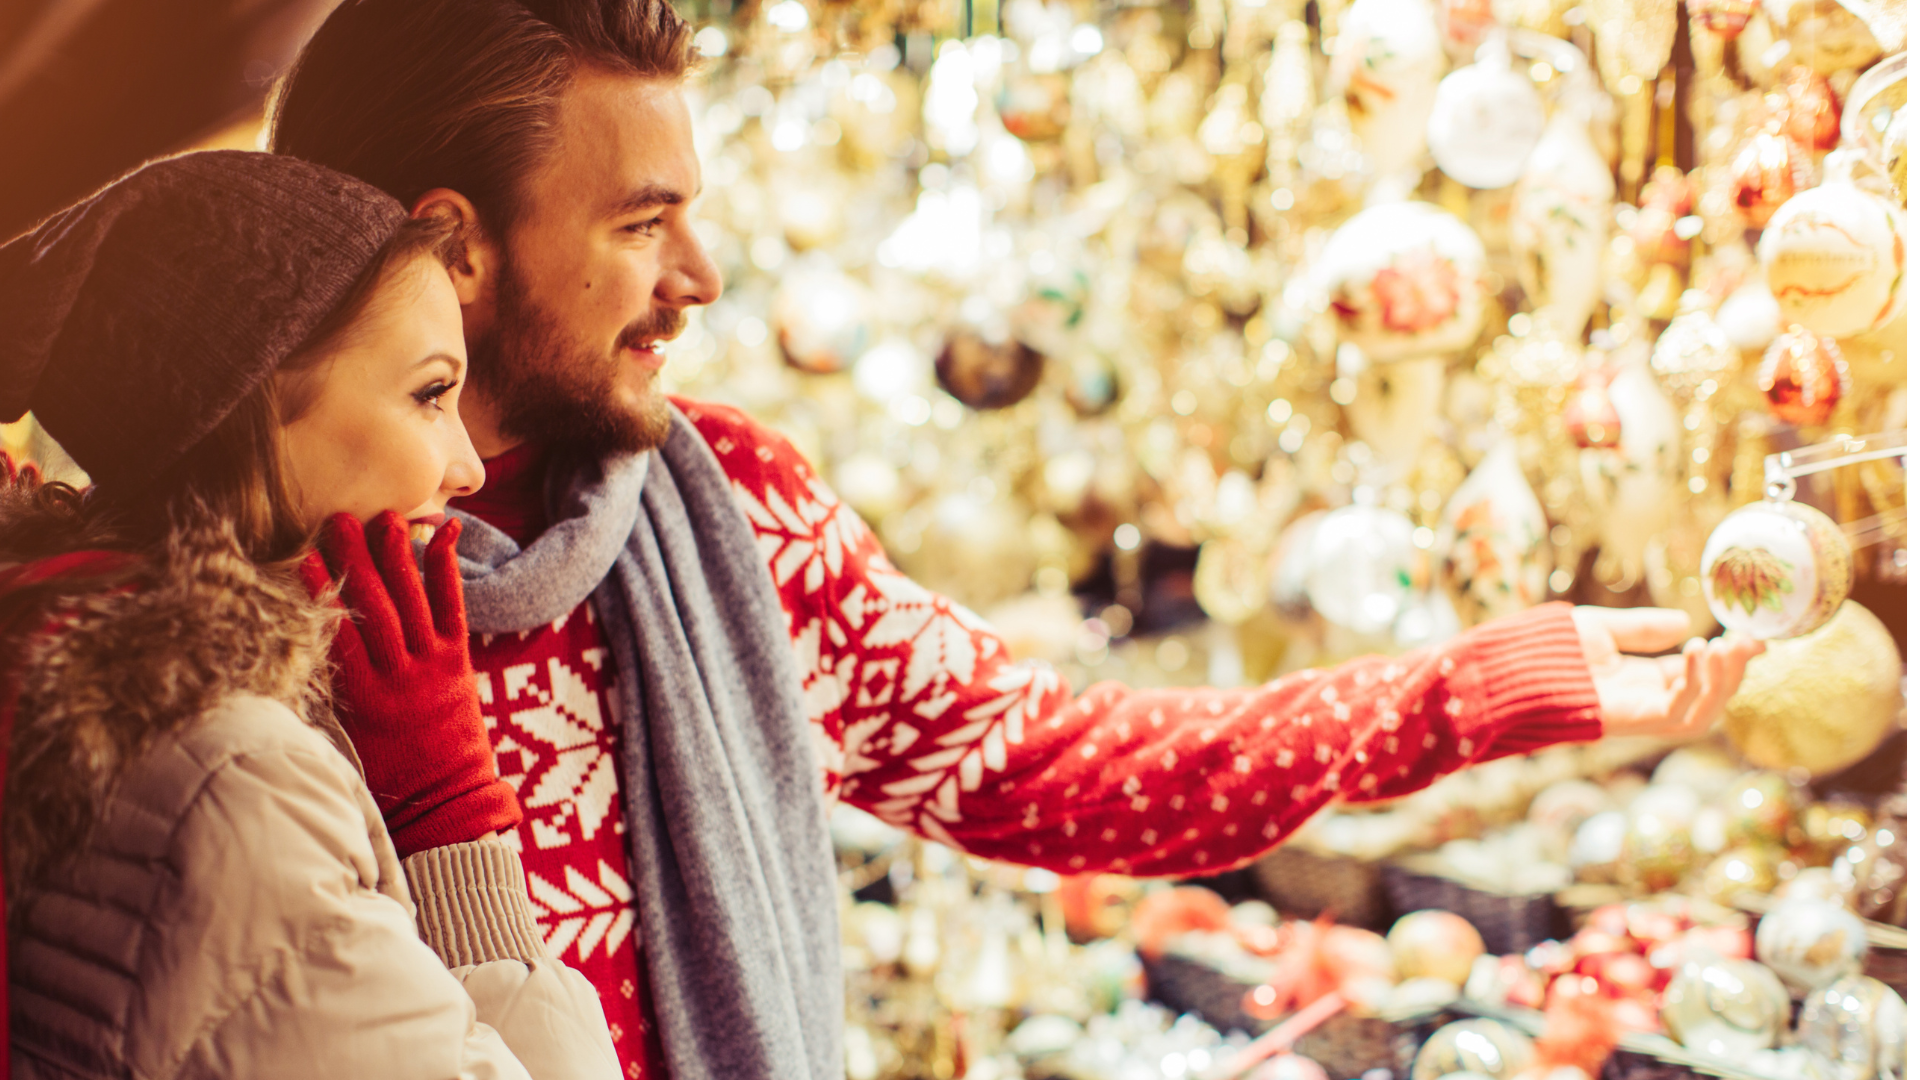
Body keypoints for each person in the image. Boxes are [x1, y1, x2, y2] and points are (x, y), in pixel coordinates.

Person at [268, 4, 1766, 1078]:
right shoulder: (227, 601)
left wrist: (1479, 693)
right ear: (455, 244)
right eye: (641, 223)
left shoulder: (730, 506)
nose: (703, 277)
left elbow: (1061, 765)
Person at [0, 151, 619, 1080]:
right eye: (428, 394)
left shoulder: (58, 648)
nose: (468, 470)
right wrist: (448, 825)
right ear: (250, 412)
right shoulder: (238, 778)